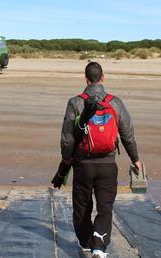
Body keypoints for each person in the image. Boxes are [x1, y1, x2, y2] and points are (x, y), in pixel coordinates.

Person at [52, 61, 141, 258]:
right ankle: (99, 246)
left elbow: (67, 137)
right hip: (108, 164)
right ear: (103, 77)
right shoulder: (115, 102)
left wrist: (66, 160)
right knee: (105, 207)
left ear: (85, 78)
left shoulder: (75, 102)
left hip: (83, 164)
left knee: (82, 206)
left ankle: (85, 243)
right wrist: (135, 159)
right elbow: (128, 134)